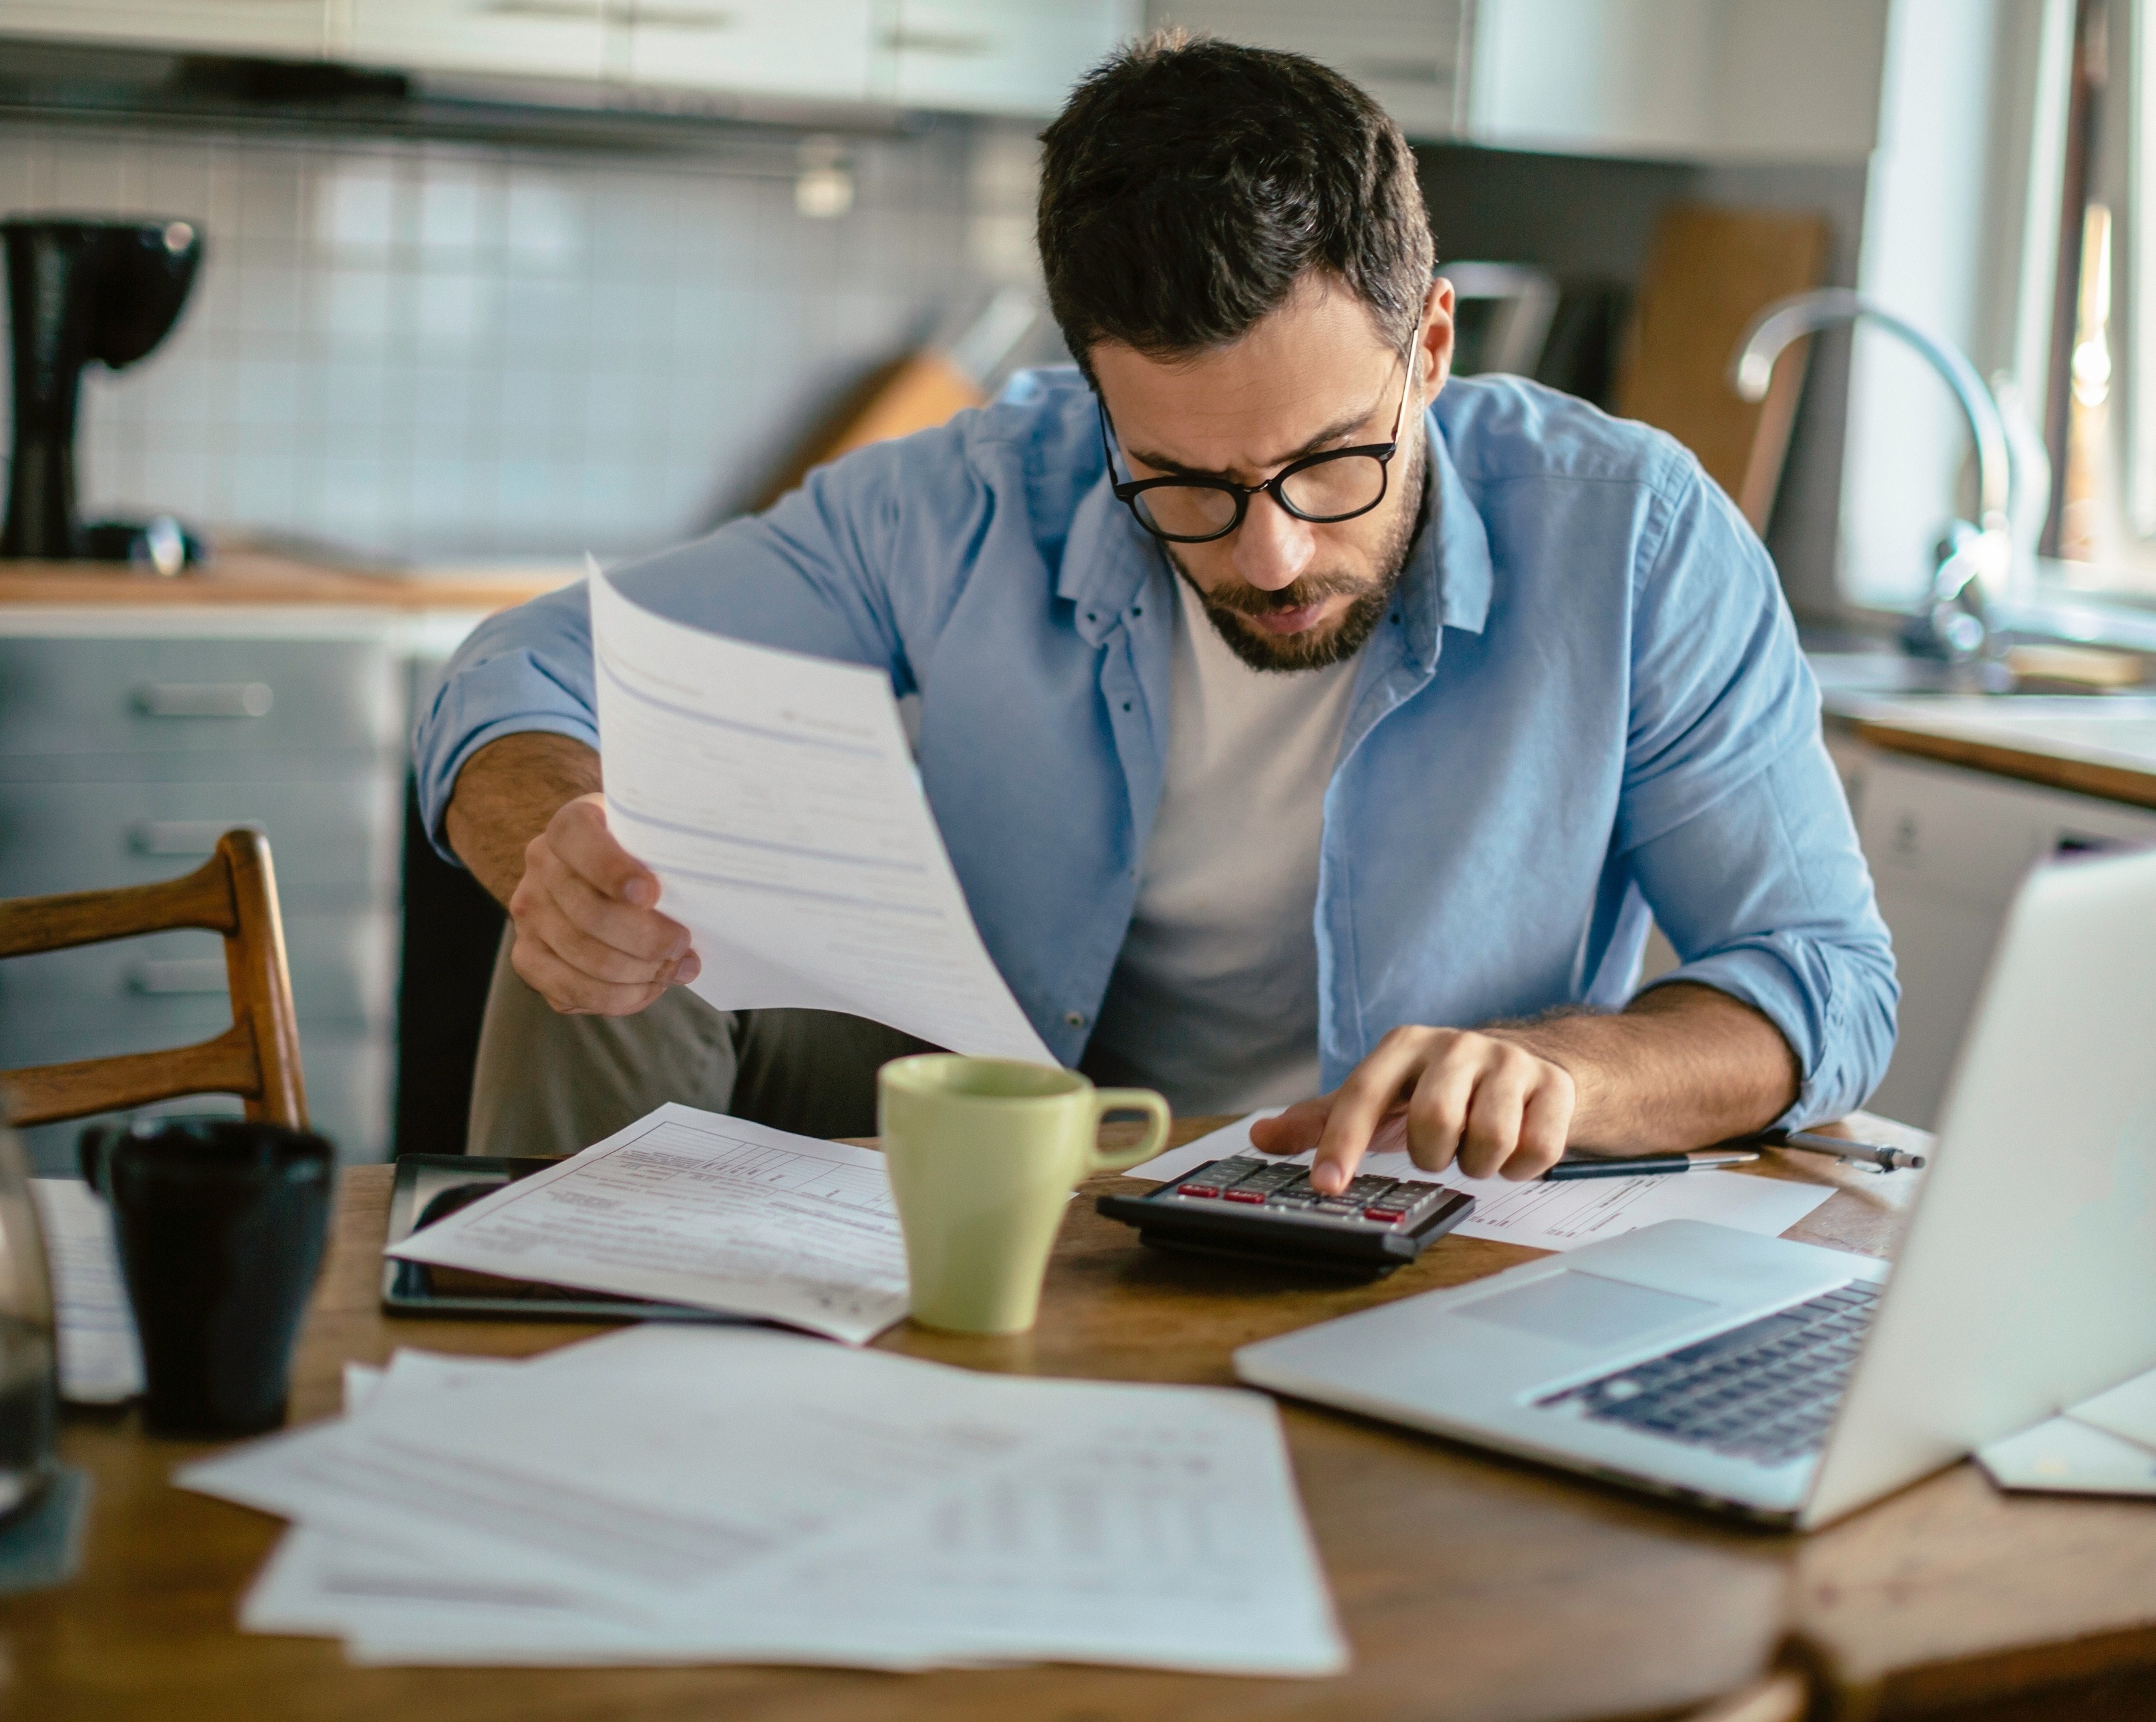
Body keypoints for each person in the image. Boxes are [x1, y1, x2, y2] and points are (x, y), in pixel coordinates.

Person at [415, 33, 1897, 1195]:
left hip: (1394, 1201)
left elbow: (1820, 978)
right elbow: (522, 663)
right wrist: (558, 838)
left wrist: (1564, 1073)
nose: (1265, 553)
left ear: (1428, 343)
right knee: (613, 868)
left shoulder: (1631, 533)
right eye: (1180, 480)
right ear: (1096, 402)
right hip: (1010, 1128)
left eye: (1329, 464)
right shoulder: (977, 494)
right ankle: (549, 1400)